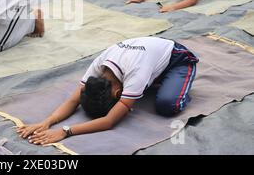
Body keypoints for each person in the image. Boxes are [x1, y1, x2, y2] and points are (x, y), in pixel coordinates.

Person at [17, 37, 198, 144]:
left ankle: (178, 79)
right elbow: (74, 100)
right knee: (142, 89)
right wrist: (46, 122)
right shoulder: (99, 67)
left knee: (167, 105)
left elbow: (109, 121)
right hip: (147, 54)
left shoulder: (136, 73)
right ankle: (157, 79)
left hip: (177, 57)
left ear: (118, 94)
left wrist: (65, 131)